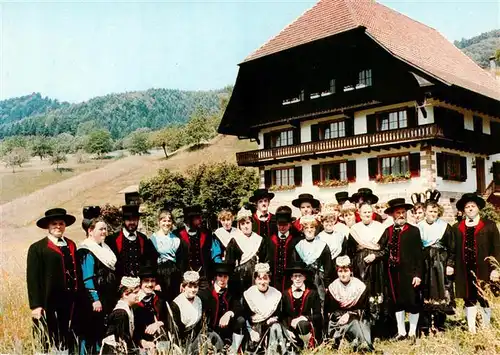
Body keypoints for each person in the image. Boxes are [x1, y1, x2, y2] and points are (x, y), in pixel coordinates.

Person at [27, 208, 81, 353]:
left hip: (70, 302)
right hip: (48, 302)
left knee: (68, 339)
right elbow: (32, 279)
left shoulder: (71, 244)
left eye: (61, 223)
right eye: (54, 224)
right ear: (48, 226)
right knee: (48, 340)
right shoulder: (37, 248)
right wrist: (36, 305)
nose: (58, 226)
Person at [451, 193, 500, 333]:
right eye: (467, 207)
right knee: (469, 298)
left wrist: (495, 269)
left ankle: (486, 328)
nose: (470, 209)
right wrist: (451, 265)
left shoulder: (489, 225)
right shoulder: (457, 227)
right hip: (464, 269)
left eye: (473, 206)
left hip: (484, 269)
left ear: (478, 208)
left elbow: (497, 248)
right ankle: (472, 328)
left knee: (484, 298)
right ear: (464, 210)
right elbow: (453, 249)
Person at [382, 198, 423, 342]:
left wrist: (418, 274)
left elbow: (419, 255)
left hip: (409, 273)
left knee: (412, 301)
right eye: (398, 213)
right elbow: (381, 249)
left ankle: (412, 332)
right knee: (397, 302)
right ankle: (401, 331)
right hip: (392, 273)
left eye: (403, 212)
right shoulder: (388, 231)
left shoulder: (413, 231)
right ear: (393, 215)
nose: (401, 215)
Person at [77, 217, 117, 355]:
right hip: (93, 300)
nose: (104, 232)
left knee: (102, 331)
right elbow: (87, 278)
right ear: (90, 231)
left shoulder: (105, 248)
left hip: (106, 297)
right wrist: (95, 299)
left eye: (105, 229)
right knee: (90, 333)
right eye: (100, 229)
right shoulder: (86, 250)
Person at [346, 203, 388, 329]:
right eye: (364, 212)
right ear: (359, 213)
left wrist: (376, 256)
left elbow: (386, 249)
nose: (367, 214)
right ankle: (363, 324)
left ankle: (378, 326)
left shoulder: (381, 228)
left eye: (369, 212)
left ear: (373, 213)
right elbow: (350, 251)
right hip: (360, 266)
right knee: (362, 291)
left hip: (376, 266)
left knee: (376, 292)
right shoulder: (354, 230)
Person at [418, 199, 455, 333]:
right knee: (426, 290)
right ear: (425, 211)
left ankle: (440, 324)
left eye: (435, 211)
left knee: (440, 290)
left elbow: (452, 247)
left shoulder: (445, 227)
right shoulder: (419, 226)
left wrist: (450, 264)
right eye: (430, 211)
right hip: (425, 262)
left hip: (441, 261)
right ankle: (426, 324)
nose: (433, 214)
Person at [324, 256, 374, 352]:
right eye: (340, 271)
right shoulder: (333, 288)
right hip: (338, 322)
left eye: (346, 271)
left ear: (350, 271)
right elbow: (329, 311)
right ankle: (360, 345)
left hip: (358, 319)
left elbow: (364, 309)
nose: (343, 275)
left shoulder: (359, 286)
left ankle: (362, 344)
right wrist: (342, 316)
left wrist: (349, 314)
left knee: (355, 323)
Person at [243, 263, 287, 354]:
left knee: (276, 327)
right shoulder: (249, 294)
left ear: (269, 279)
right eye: (259, 279)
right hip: (255, 329)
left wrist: (274, 318)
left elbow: (279, 313)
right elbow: (245, 316)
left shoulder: (275, 294)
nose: (262, 282)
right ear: (255, 280)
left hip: (271, 327)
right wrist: (251, 331)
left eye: (265, 278)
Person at [201, 263, 245, 354]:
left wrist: (229, 313)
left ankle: (234, 349)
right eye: (220, 276)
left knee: (240, 320)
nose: (222, 279)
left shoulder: (230, 293)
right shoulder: (206, 293)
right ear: (216, 277)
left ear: (228, 278)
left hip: (226, 331)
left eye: (225, 277)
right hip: (210, 332)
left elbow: (239, 308)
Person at [105, 205, 157, 280]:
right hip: (119, 284)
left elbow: (151, 260)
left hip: (140, 283)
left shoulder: (144, 239)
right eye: (129, 220)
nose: (132, 222)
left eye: (135, 219)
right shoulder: (112, 240)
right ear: (123, 220)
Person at [174, 205, 220, 290]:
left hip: (204, 277)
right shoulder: (177, 235)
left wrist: (213, 276)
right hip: (185, 278)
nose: (200, 220)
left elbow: (213, 256)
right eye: (197, 218)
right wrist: (180, 279)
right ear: (190, 219)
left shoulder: (207, 234)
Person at [225, 206, 268, 295]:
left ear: (252, 223)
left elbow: (264, 260)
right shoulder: (234, 240)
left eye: (248, 223)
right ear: (239, 226)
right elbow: (229, 264)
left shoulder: (259, 239)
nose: (246, 226)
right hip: (240, 279)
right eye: (243, 224)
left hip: (257, 277)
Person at [293, 215, 333, 303]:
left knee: (320, 301)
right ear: (303, 230)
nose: (309, 230)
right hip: (305, 280)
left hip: (319, 280)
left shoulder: (323, 245)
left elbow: (328, 266)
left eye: (312, 227)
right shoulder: (299, 246)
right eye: (306, 228)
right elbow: (297, 266)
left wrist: (326, 284)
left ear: (315, 229)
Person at [281, 262, 322, 350]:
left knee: (303, 324)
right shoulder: (285, 294)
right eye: (295, 276)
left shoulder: (312, 293)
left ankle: (307, 348)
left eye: (300, 276)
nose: (298, 279)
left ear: (304, 277)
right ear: (291, 278)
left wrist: (305, 318)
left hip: (306, 330)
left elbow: (318, 316)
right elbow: (282, 316)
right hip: (290, 331)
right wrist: (287, 330)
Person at [150, 208, 186, 301]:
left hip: (174, 274)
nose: (166, 223)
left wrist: (182, 281)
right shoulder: (152, 239)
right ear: (159, 222)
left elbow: (181, 262)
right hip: (159, 274)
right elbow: (150, 262)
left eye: (169, 221)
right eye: (164, 221)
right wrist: (155, 282)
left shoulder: (176, 240)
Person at [133, 263, 170, 353]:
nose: (150, 284)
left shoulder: (161, 298)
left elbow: (169, 319)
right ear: (140, 283)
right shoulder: (134, 301)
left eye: (152, 281)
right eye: (146, 281)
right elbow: (132, 329)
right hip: (142, 344)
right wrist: (142, 342)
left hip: (162, 340)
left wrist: (158, 323)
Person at [101, 276, 141, 354]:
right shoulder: (120, 313)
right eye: (135, 293)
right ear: (126, 294)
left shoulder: (129, 308)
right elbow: (121, 341)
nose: (138, 295)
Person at [170, 271, 205, 354]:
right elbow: (174, 331)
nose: (193, 290)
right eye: (189, 287)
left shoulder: (199, 300)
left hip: (197, 338)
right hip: (182, 341)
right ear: (183, 287)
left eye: (195, 287)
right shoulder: (176, 304)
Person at [267, 206, 301, 292]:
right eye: (280, 225)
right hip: (274, 280)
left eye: (285, 225)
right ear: (277, 224)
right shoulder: (270, 241)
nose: (282, 228)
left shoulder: (296, 240)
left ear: (290, 224)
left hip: (290, 280)